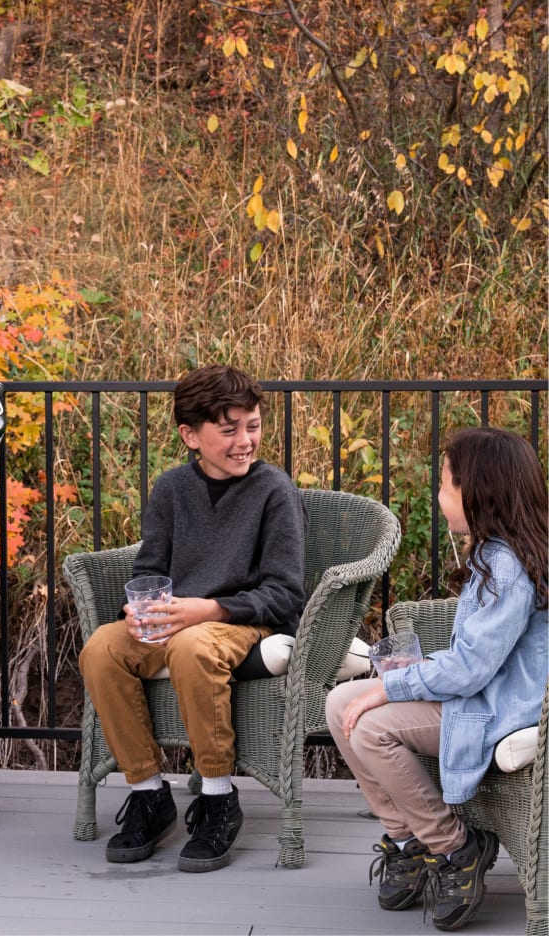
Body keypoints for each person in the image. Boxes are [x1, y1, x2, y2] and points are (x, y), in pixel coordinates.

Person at [78, 363, 307, 872]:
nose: (245, 441)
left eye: (253, 426)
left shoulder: (275, 491)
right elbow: (149, 570)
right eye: (229, 431)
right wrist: (136, 612)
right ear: (190, 435)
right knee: (101, 649)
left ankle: (218, 797)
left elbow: (285, 593)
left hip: (243, 621)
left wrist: (209, 609)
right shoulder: (171, 489)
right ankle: (148, 793)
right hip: (176, 618)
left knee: (192, 645)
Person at [326, 427, 548, 932]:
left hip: (499, 710)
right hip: (481, 695)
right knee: (339, 705)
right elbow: (477, 656)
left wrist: (389, 687)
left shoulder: (507, 568)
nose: (438, 493)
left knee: (370, 727)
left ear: (477, 492)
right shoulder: (494, 552)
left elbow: (471, 669)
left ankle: (455, 848)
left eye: (445, 483)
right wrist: (415, 673)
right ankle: (406, 840)